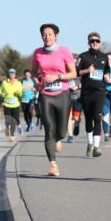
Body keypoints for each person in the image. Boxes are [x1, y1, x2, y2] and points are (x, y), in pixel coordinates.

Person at [31, 23, 77, 176]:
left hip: (62, 94)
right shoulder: (37, 53)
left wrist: (57, 76)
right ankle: (53, 164)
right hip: (46, 95)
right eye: (44, 34)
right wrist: (37, 82)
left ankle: (59, 138)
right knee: (49, 129)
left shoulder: (64, 51)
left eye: (50, 34)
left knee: (62, 131)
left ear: (56, 36)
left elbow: (73, 73)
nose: (47, 36)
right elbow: (33, 72)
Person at [76, 31, 110, 156]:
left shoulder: (104, 57)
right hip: (86, 92)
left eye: (97, 41)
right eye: (92, 41)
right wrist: (87, 70)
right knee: (89, 119)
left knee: (97, 117)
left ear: (100, 42)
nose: (95, 43)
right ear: (88, 42)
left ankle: (96, 147)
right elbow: (75, 72)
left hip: (100, 92)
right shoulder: (82, 56)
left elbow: (106, 70)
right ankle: (90, 143)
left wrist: (106, 76)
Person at [0, 68, 24, 142]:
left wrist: (19, 94)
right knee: (8, 121)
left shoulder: (18, 83)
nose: (12, 75)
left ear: (15, 75)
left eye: (13, 74)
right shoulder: (4, 83)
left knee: (14, 120)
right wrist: (3, 94)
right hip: (6, 104)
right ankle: (8, 129)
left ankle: (12, 134)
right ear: (8, 74)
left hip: (15, 104)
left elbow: (21, 93)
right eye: (10, 73)